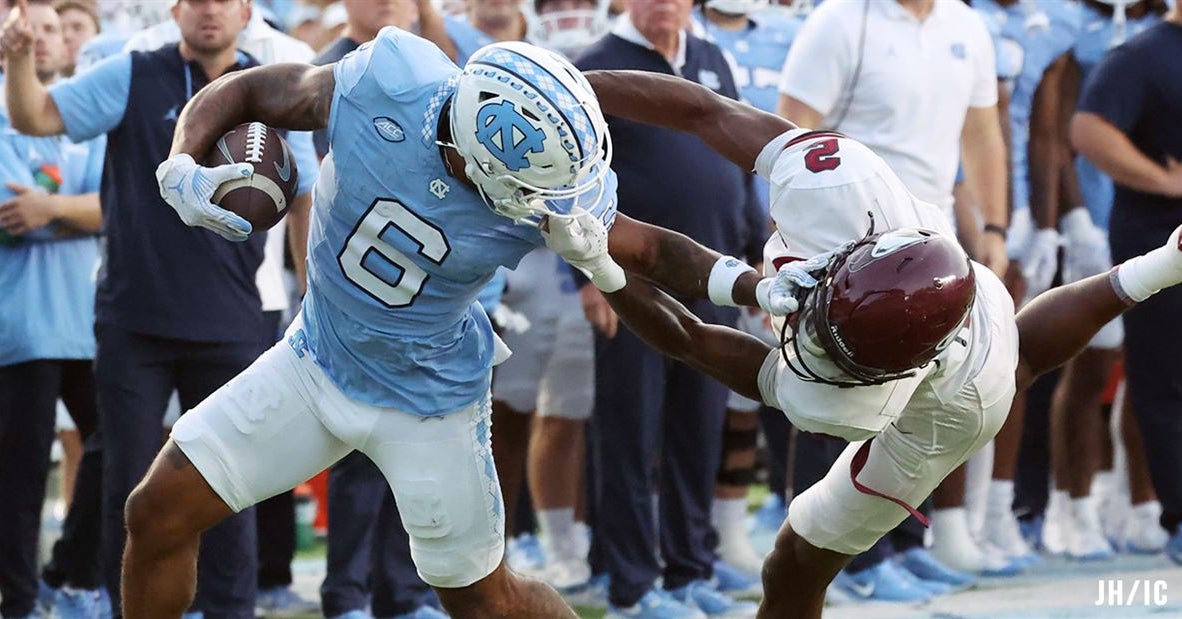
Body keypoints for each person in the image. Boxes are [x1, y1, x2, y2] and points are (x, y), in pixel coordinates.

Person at [129, 33, 780, 619]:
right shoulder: (388, 82)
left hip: (430, 400)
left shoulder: (541, 186)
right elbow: (256, 89)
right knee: (156, 513)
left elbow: (656, 252)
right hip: (316, 357)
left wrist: (750, 283)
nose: (549, 203)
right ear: (473, 154)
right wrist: (182, 158)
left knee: (485, 600)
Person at [552, 68, 1182, 619]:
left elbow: (690, 338)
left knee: (793, 564)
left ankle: (1160, 266)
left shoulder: (834, 401)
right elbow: (703, 110)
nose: (808, 329)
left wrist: (604, 270)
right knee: (1021, 353)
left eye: (823, 338)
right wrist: (576, 90)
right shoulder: (838, 183)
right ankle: (1166, 263)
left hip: (951, 405)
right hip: (948, 275)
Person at [2, 0, 271, 616]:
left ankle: (232, 609)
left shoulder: (270, 89)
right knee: (129, 487)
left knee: (234, 483)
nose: (209, 11)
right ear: (175, 11)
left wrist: (311, 287)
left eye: (223, 0)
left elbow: (304, 191)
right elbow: (37, 114)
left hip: (231, 320)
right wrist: (18, 60)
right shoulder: (131, 73)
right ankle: (125, 608)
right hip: (134, 323)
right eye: (196, 0)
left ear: (246, 12)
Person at [575, 1, 767, 615]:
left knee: (698, 431)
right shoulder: (594, 69)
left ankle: (691, 570)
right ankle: (633, 585)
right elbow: (569, 180)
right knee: (630, 434)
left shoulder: (711, 58)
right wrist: (586, 276)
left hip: (715, 279)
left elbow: (740, 162)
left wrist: (759, 251)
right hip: (629, 282)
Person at [0, 3, 103, 618]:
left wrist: (54, 209)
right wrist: (74, 211)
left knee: (116, 443)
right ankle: (18, 599)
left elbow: (117, 206)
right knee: (20, 470)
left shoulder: (82, 119)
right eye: (29, 31)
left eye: (53, 31)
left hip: (87, 326)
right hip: (20, 328)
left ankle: (68, 574)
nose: (43, 41)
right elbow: (14, 218)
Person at [1070, 2, 1182, 565]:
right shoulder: (1139, 55)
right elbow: (1088, 129)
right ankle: (1178, 517)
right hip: (1160, 242)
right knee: (1164, 379)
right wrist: (1163, 180)